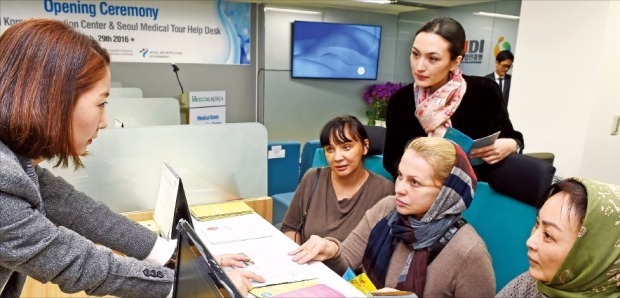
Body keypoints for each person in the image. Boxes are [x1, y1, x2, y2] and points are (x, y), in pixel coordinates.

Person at [0, 19, 263, 297]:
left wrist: (183, 260)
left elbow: (83, 213)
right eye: (101, 103)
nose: (104, 122)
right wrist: (188, 284)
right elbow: (76, 262)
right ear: (52, 101)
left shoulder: (16, 165)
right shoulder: (4, 179)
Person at [290, 137, 495, 297]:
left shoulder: (469, 252)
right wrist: (330, 249)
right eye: (400, 176)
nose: (400, 189)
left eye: (415, 182)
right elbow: (347, 261)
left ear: (447, 193)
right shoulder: (388, 208)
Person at [383, 17, 524, 182]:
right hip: (417, 196)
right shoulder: (400, 101)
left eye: (432, 58)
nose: (419, 66)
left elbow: (512, 137)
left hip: (474, 196)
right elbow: (391, 159)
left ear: (455, 62)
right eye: (415, 54)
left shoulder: (484, 92)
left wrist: (511, 145)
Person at [497, 177, 620, 297]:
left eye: (548, 235)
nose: (530, 241)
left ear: (595, 255)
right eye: (537, 223)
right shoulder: (529, 285)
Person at [280, 115, 394, 244]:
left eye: (346, 147)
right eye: (330, 149)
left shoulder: (385, 191)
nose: (337, 157)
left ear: (365, 146)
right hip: (307, 261)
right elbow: (290, 227)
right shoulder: (312, 178)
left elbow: (383, 248)